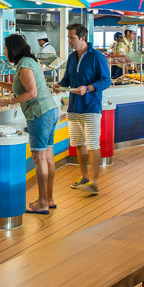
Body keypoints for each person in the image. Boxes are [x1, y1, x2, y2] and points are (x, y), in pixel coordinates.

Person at [0, 34, 59, 214]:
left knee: (39, 158)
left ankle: (42, 202)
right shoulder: (28, 61)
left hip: (39, 113)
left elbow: (32, 93)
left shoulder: (24, 65)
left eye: (5, 48)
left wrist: (8, 102)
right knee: (48, 157)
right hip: (50, 110)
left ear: (13, 49)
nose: (4, 52)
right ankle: (48, 199)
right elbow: (22, 87)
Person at [57, 23, 111, 195]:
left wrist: (87, 88)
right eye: (69, 38)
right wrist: (59, 85)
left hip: (91, 107)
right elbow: (67, 79)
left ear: (82, 37)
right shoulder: (72, 58)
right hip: (73, 107)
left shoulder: (97, 57)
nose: (70, 41)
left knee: (93, 144)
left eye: (72, 38)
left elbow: (106, 81)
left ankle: (94, 182)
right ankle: (84, 177)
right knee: (79, 144)